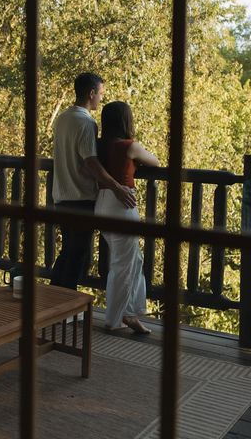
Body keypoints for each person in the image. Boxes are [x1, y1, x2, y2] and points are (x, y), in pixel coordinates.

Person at [50, 73, 136, 290]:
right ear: (91, 93)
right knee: (78, 255)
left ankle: (51, 299)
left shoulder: (63, 118)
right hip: (81, 197)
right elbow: (91, 162)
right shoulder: (86, 123)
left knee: (68, 252)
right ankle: (66, 307)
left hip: (61, 195)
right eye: (100, 93)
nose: (101, 98)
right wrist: (117, 188)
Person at [95, 101, 159, 333]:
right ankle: (115, 319)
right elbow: (156, 161)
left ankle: (130, 313)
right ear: (126, 121)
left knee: (132, 260)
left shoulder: (99, 146)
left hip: (102, 203)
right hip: (122, 205)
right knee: (123, 264)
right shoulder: (129, 146)